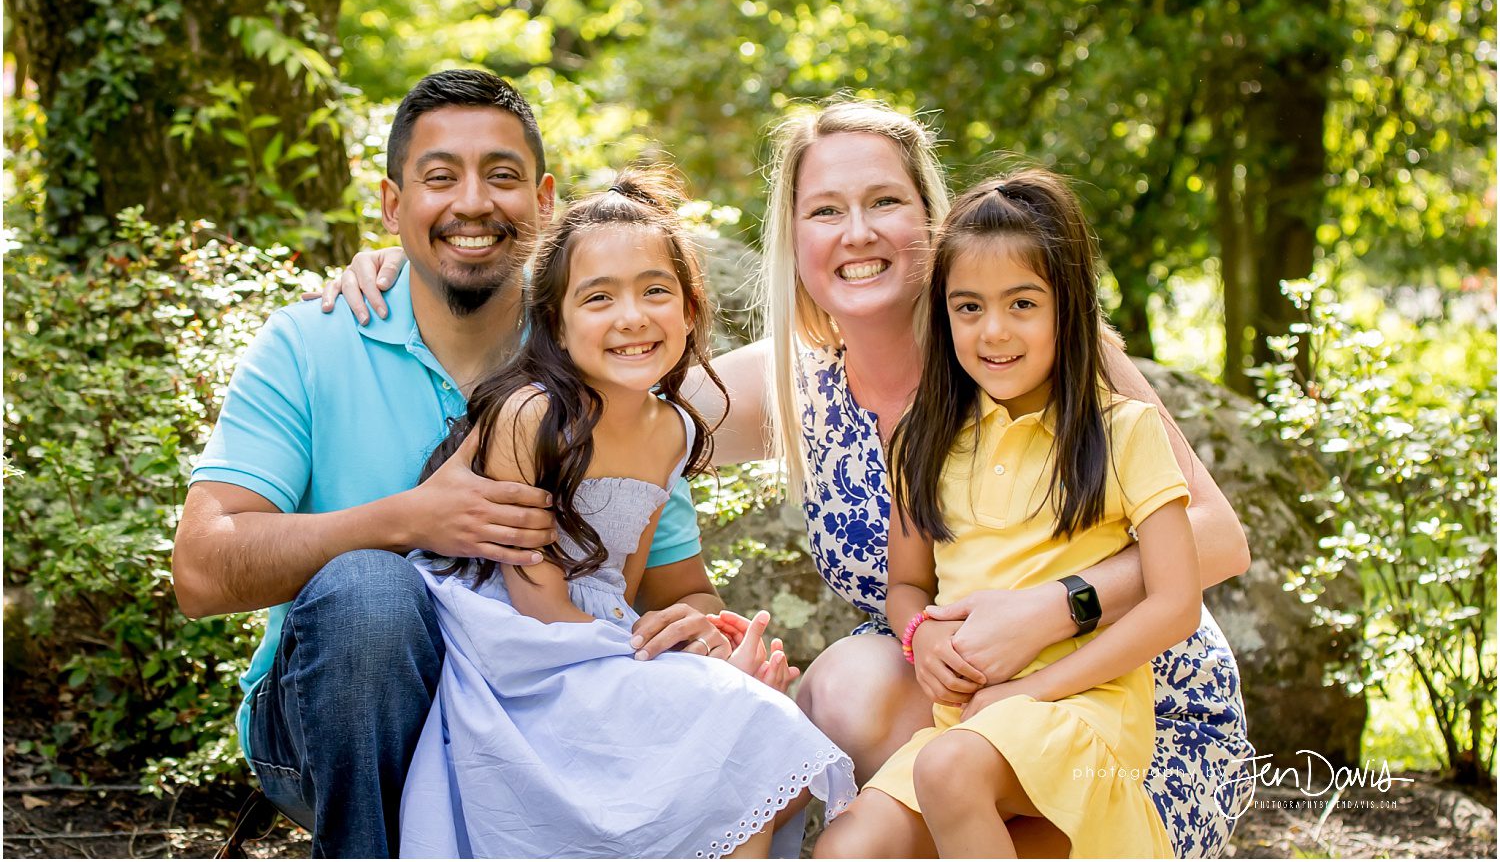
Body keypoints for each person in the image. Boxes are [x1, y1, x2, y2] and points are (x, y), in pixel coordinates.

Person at [323, 99, 1256, 857]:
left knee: (858, 707)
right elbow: (603, 371)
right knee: (841, 693)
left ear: (933, 218)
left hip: (1128, 691)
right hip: (948, 703)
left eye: (885, 202)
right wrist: (419, 275)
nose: (858, 233)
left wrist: (1057, 607)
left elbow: (1217, 536)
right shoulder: (785, 384)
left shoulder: (1021, 340)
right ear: (794, 240)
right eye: (825, 211)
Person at [172, 70, 744, 857]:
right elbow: (201, 573)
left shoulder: (599, 366)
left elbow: (675, 589)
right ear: (390, 205)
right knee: (369, 590)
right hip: (331, 732)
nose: (473, 202)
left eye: (501, 176)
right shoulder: (310, 344)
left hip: (540, 726)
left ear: (544, 202)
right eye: (439, 178)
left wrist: (699, 629)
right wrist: (407, 520)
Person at [399, 170, 854, 858]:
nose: (632, 317)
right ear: (554, 319)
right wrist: (655, 664)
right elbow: (539, 606)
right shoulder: (532, 416)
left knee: (759, 733)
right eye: (599, 298)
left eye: (655, 291)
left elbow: (620, 582)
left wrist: (693, 639)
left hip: (595, 632)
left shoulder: (672, 429)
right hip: (517, 649)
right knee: (738, 724)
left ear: (691, 308)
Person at [816, 168, 1202, 858]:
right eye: (969, 308)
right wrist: (920, 641)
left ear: (1067, 306)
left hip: (1083, 712)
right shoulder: (924, 438)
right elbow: (908, 588)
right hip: (964, 725)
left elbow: (1176, 604)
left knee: (949, 767)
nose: (993, 331)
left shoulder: (1125, 431)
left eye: (1022, 304)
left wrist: (1033, 690)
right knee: (846, 848)